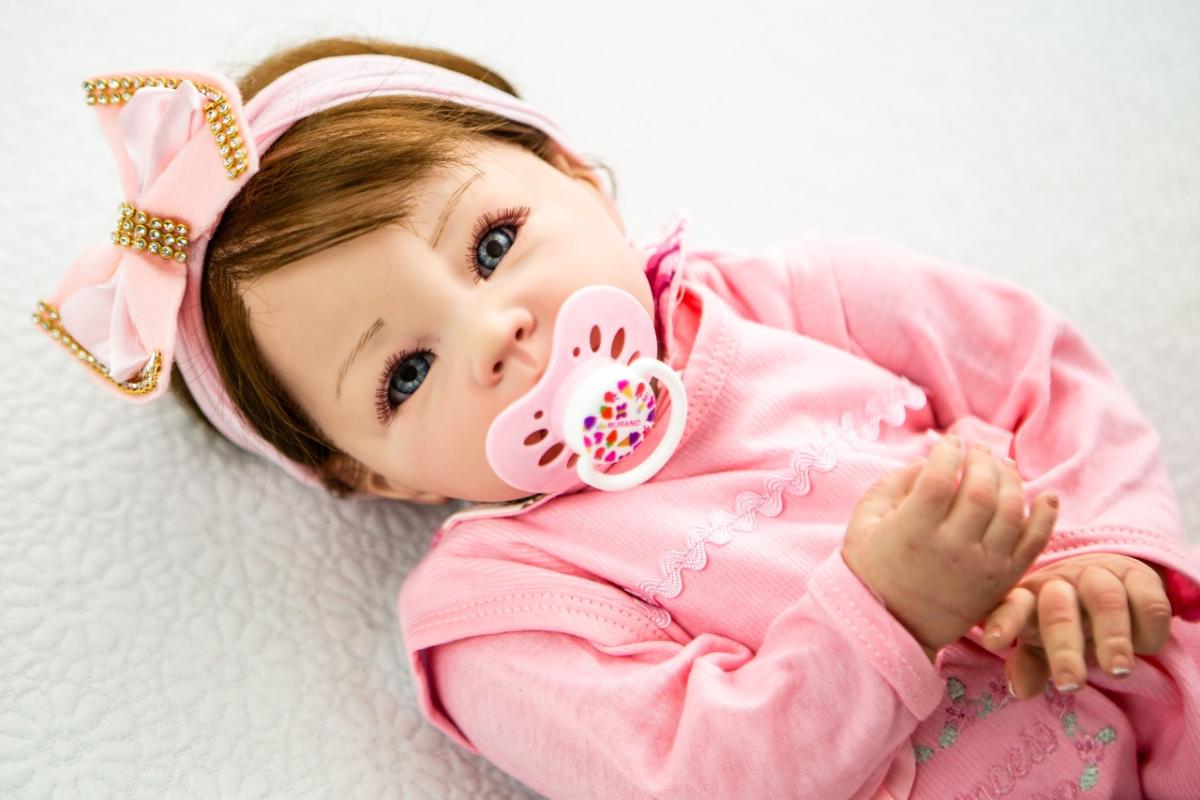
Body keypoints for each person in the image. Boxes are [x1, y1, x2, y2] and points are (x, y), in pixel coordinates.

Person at [32, 35, 1200, 799]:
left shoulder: (795, 297)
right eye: (406, 373)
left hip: (1142, 691)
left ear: (576, 175)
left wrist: (1102, 547)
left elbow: (1027, 364)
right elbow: (692, 773)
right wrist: (881, 609)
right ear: (372, 476)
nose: (494, 334)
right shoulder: (496, 608)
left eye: (494, 243)